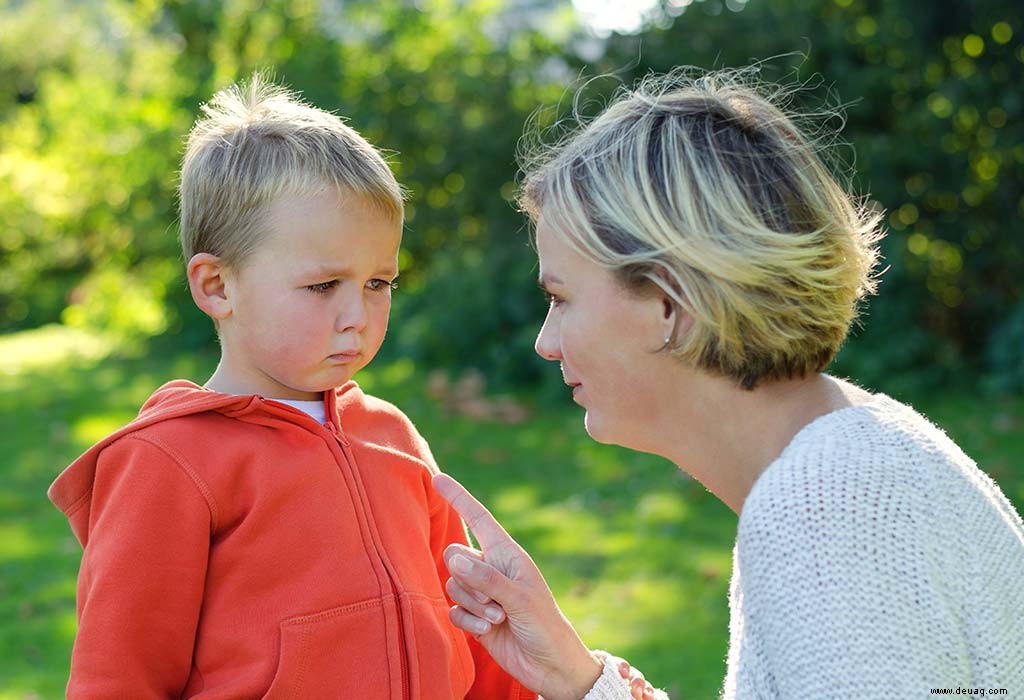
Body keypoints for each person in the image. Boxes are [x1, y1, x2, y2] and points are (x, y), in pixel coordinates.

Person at [432, 68, 1024, 699]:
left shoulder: (826, 514)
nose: (544, 343)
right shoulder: (853, 458)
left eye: (562, 297)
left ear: (668, 304)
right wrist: (578, 682)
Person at [47, 73, 537, 700]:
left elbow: (471, 629)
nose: (357, 315)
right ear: (217, 286)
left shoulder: (393, 437)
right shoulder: (166, 462)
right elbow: (118, 679)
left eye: (378, 283)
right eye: (322, 286)